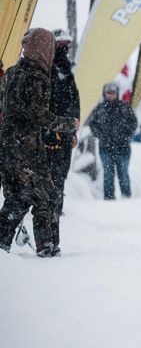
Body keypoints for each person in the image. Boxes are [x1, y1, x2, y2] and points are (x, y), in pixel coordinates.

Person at [0, 28, 79, 256]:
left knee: (17, 197)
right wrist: (68, 124)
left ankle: (2, 244)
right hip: (27, 148)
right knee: (48, 195)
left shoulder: (12, 73)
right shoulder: (37, 77)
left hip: (7, 144)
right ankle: (47, 247)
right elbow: (39, 115)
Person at [43, 29, 80, 217]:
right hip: (50, 130)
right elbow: (48, 101)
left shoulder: (66, 70)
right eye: (61, 44)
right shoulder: (46, 68)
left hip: (65, 131)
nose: (64, 48)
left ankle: (56, 205)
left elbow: (73, 101)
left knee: (61, 171)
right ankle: (47, 206)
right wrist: (50, 127)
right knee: (49, 170)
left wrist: (73, 128)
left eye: (67, 44)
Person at [90, 82, 137, 200]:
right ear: (104, 94)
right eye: (108, 93)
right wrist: (101, 136)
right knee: (108, 173)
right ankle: (109, 197)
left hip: (123, 147)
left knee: (123, 173)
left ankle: (126, 196)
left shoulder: (125, 107)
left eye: (113, 93)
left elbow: (133, 123)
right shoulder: (99, 109)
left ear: (117, 94)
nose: (111, 95)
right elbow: (93, 124)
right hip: (105, 147)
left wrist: (126, 136)